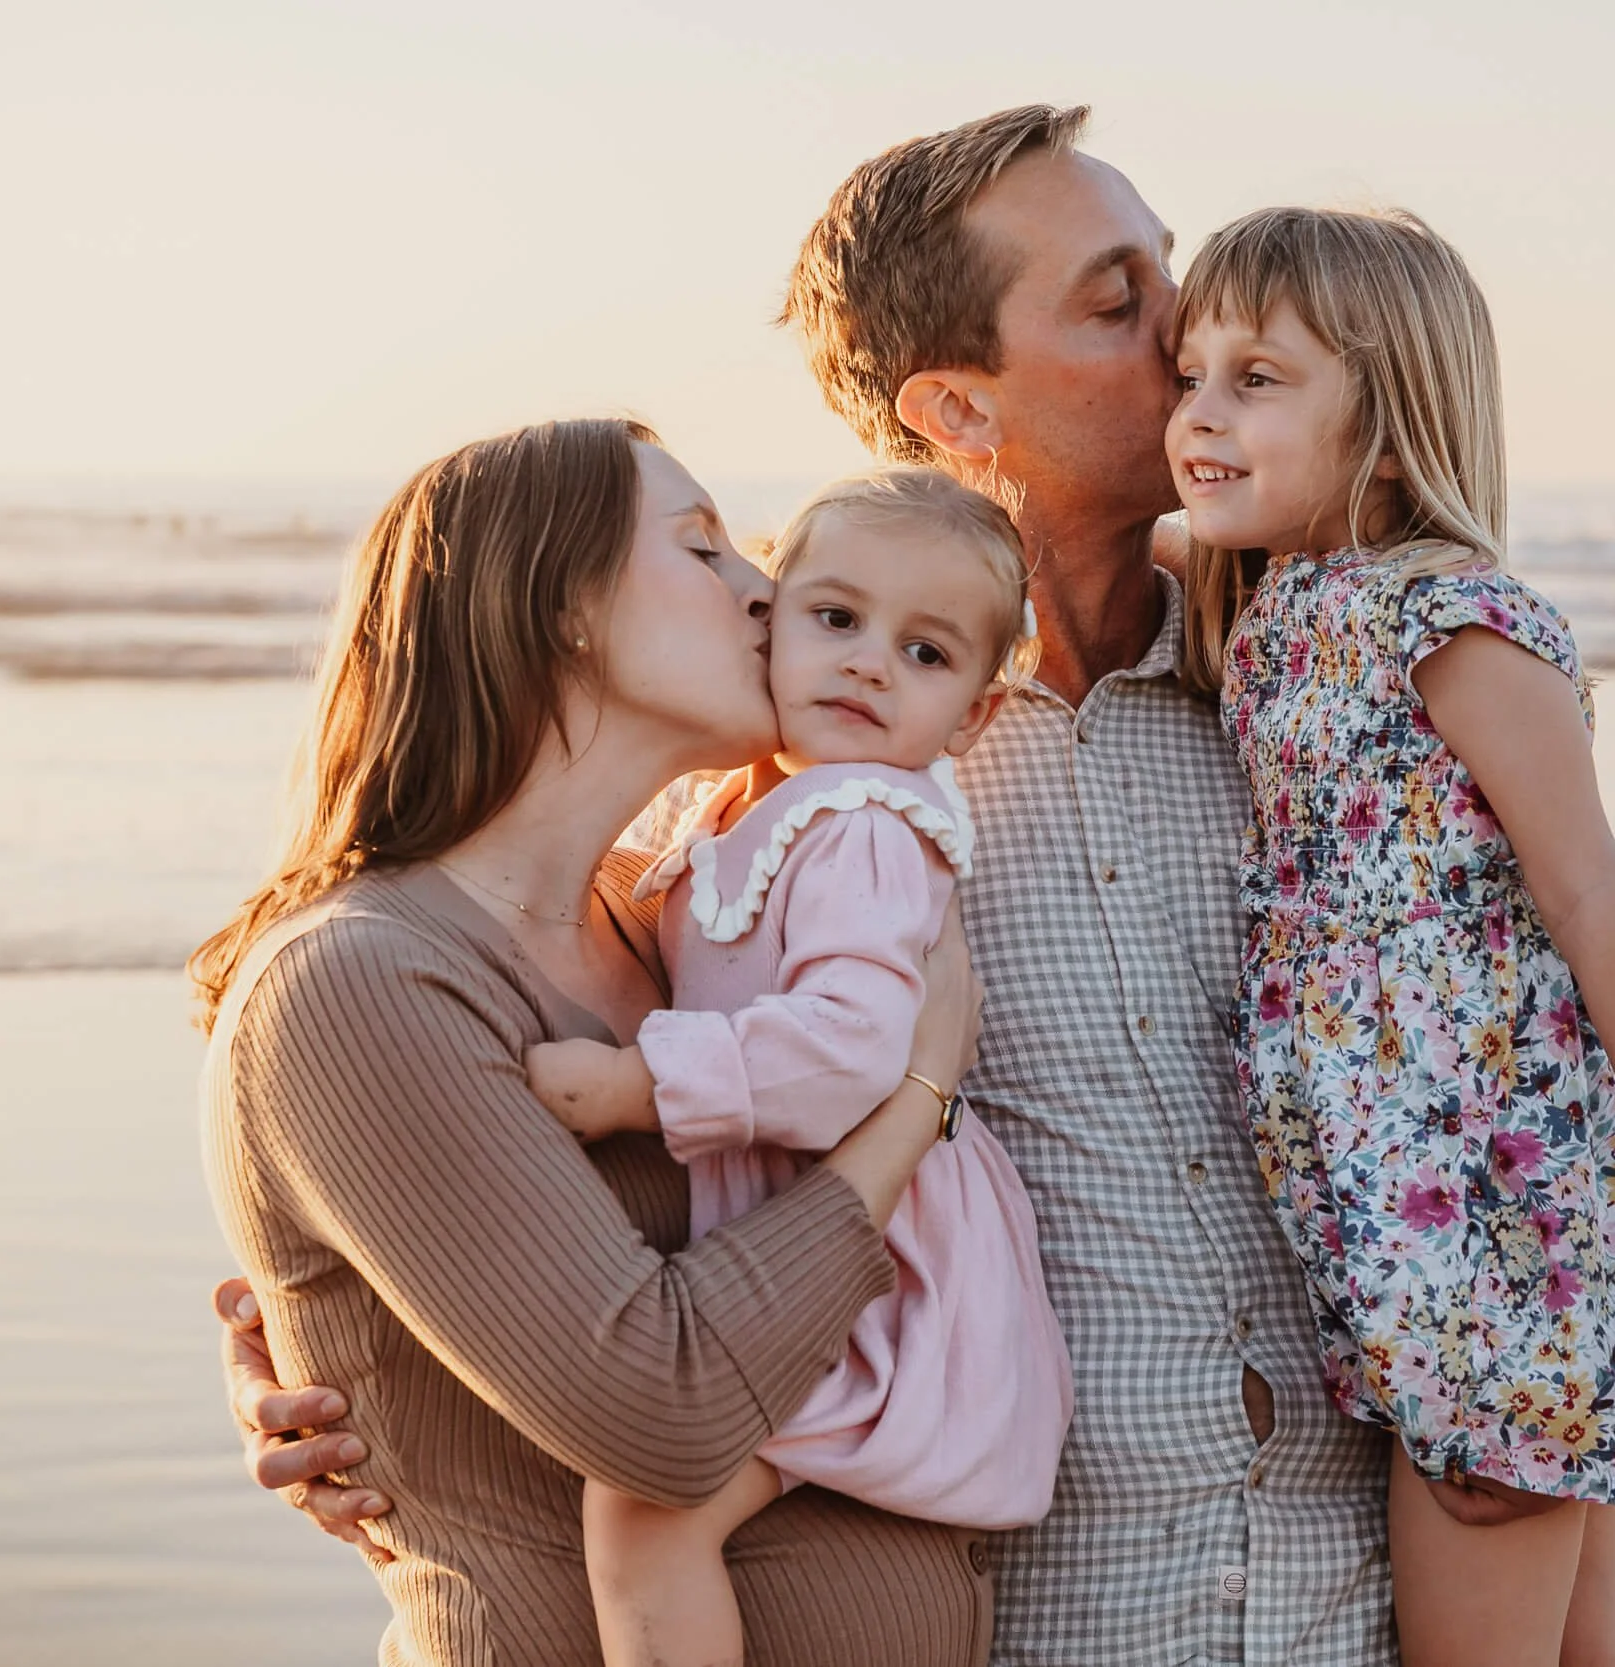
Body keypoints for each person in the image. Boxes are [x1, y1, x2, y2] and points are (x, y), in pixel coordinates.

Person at [226, 106, 1405, 1663]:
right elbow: (429, 1105)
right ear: (957, 407)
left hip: (1345, 1581)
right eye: (1121, 301)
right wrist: (332, 1346)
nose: (1193, 329)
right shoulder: (771, 779)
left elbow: (1510, 1034)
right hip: (1052, 1605)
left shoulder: (1319, 686)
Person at [196, 418, 1001, 1665]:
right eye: (703, 547)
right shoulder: (358, 978)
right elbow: (660, 1414)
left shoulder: (667, 911)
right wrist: (915, 1099)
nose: (764, 590)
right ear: (562, 606)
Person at [1170, 205, 1615, 1665]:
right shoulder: (1276, 598)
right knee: (1585, 1628)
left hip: (1530, 1189)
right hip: (1431, 1178)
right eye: (1187, 376)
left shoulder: (1451, 622)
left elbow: (1596, 898)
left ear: (1387, 429)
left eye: (1257, 378)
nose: (1198, 414)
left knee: (1487, 1552)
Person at [522, 469, 1074, 1667]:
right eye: (836, 619)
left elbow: (850, 1046)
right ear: (769, 622)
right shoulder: (740, 804)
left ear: (972, 715)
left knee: (646, 1506)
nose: (870, 664)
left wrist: (634, 1087)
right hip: (797, 1225)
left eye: (924, 653)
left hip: (878, 1263)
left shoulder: (864, 825)